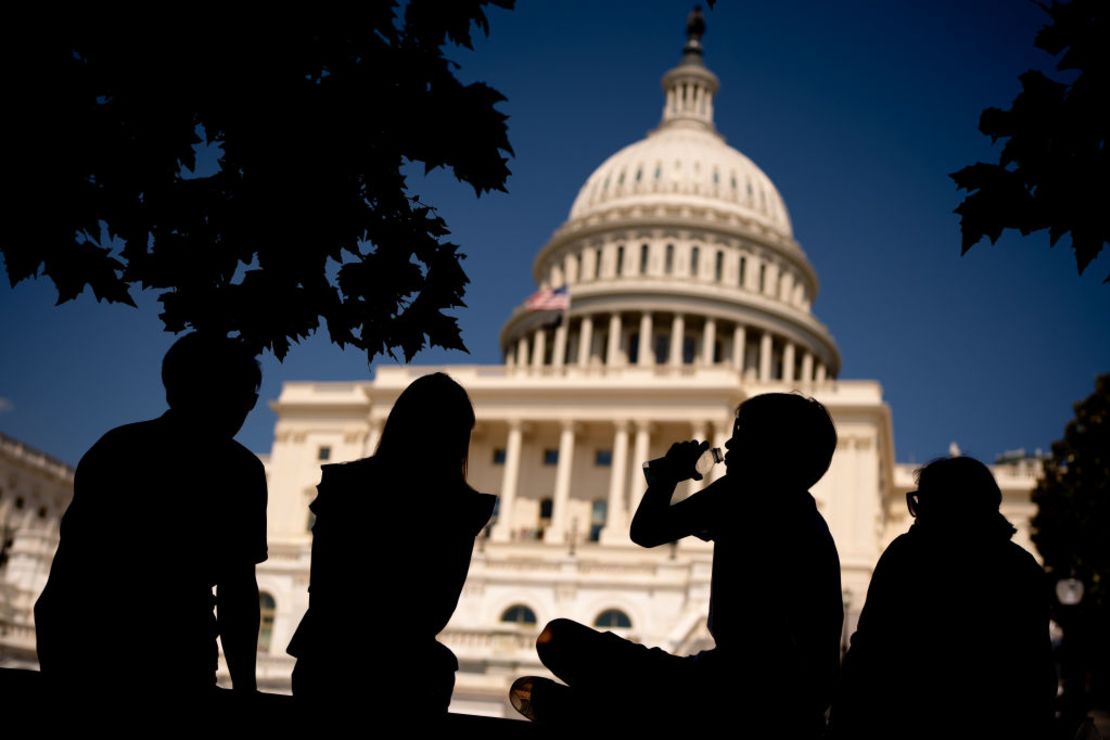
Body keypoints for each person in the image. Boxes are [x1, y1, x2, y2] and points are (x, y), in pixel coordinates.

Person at [510, 393, 843, 736]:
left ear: (773, 446)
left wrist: (668, 475)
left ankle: (609, 717)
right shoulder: (809, 521)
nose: (729, 442)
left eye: (742, 433)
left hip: (729, 689)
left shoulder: (742, 492)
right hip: (786, 702)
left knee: (556, 638)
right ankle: (616, 715)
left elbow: (646, 531)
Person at [35, 332, 267, 708]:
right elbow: (238, 590)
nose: (245, 410)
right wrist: (245, 689)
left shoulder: (117, 448)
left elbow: (68, 576)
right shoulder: (241, 471)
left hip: (92, 651)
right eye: (244, 397)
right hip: (177, 659)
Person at [287, 372, 495, 722]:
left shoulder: (345, 486)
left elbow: (322, 587)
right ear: (459, 439)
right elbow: (438, 606)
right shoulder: (459, 508)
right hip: (408, 675)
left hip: (328, 661)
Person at [828, 456, 1055, 739]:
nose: (917, 514)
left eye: (923, 504)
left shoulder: (908, 557)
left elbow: (868, 653)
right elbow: (1038, 675)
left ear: (944, 507)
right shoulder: (1022, 569)